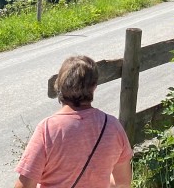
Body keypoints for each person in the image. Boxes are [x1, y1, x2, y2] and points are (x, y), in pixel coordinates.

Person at [14, 54, 132, 188]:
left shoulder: (48, 129)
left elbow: (24, 186)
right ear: (94, 86)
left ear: (59, 85)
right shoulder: (112, 125)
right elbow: (122, 183)